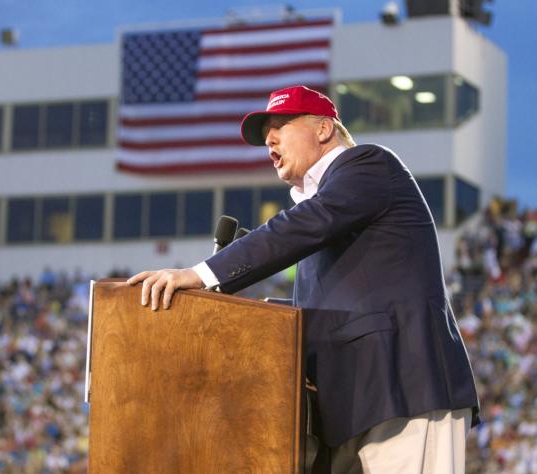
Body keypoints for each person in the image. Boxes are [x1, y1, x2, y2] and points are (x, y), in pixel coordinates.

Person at [127, 85, 479, 473]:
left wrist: (201, 274)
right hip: (354, 406)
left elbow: (297, 228)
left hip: (406, 388)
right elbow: (321, 310)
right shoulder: (324, 215)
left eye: (280, 125)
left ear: (324, 129)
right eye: (265, 138)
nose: (270, 140)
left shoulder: (367, 165)